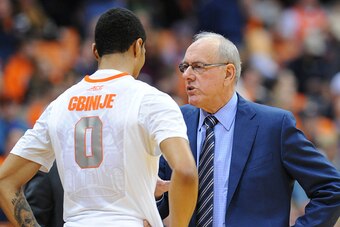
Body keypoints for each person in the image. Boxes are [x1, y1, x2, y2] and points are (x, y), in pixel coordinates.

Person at [0, 7, 198, 227]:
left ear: (95, 51)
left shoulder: (58, 105)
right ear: (138, 46)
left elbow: (5, 181)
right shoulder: (151, 99)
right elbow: (186, 171)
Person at [157, 31, 340, 227]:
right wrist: (157, 197)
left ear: (228, 73)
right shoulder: (177, 121)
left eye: (198, 67)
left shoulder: (274, 126)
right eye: (184, 67)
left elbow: (331, 188)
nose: (186, 75)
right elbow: (163, 197)